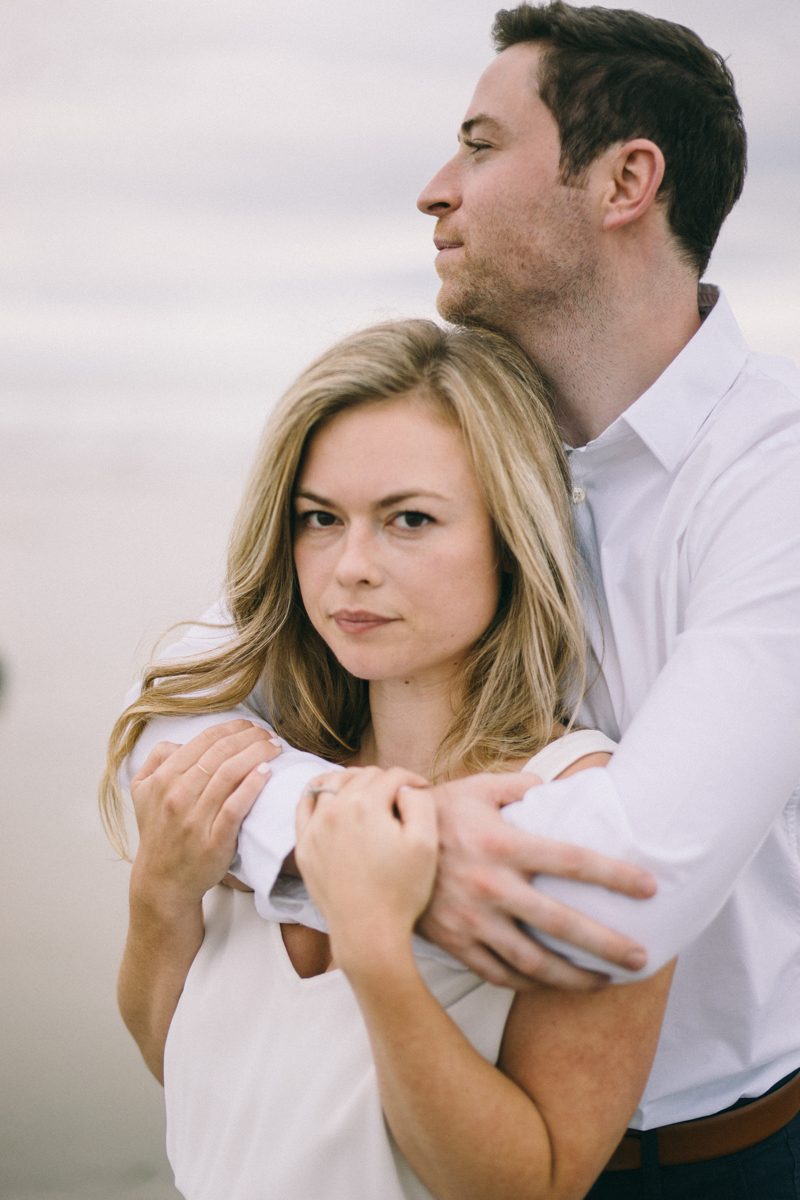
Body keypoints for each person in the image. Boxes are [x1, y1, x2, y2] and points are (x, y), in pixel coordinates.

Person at [108, 3, 800, 1194]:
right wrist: (314, 825)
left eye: (480, 144)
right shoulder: (457, 433)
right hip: (403, 1111)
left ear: (626, 178)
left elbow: (626, 877)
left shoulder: (771, 476)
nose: (434, 189)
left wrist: (341, 874)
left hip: (706, 1153)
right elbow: (182, 706)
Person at [107, 320, 675, 1200]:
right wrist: (162, 894)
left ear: (509, 537)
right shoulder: (262, 778)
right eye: (320, 520)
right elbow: (181, 1074)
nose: (351, 568)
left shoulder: (582, 814)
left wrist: (375, 943)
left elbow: (533, 1184)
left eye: (410, 519)